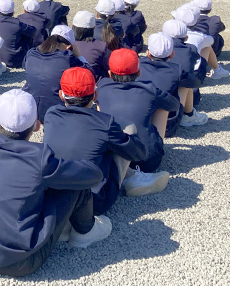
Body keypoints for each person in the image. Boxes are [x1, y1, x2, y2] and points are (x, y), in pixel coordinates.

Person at [0, 89, 110, 277]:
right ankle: (86, 232)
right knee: (74, 187)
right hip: (20, 262)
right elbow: (91, 176)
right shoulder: (39, 158)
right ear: (36, 126)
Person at [43, 67, 167, 217]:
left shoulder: (51, 114)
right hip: (93, 203)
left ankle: (131, 175)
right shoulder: (105, 123)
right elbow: (138, 153)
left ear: (61, 95)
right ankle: (130, 177)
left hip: (52, 198)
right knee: (127, 129)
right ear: (95, 95)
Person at [95, 49, 181, 174]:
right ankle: (154, 147)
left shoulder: (102, 87)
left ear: (110, 73)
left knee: (101, 106)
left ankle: (127, 174)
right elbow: (173, 105)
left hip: (111, 158)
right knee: (163, 106)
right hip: (146, 161)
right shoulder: (149, 89)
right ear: (139, 72)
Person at [22, 25, 87, 121]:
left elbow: (25, 66)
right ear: (68, 46)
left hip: (28, 108)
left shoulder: (31, 53)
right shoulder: (67, 57)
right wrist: (79, 56)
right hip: (55, 111)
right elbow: (88, 73)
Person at [0, 0, 35, 69]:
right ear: (13, 13)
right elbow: (33, 31)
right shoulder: (17, 24)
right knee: (26, 36)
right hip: (11, 62)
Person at [72, 11, 110, 79]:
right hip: (94, 84)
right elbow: (108, 67)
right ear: (94, 27)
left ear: (73, 26)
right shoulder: (101, 46)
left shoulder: (66, 45)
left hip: (70, 84)